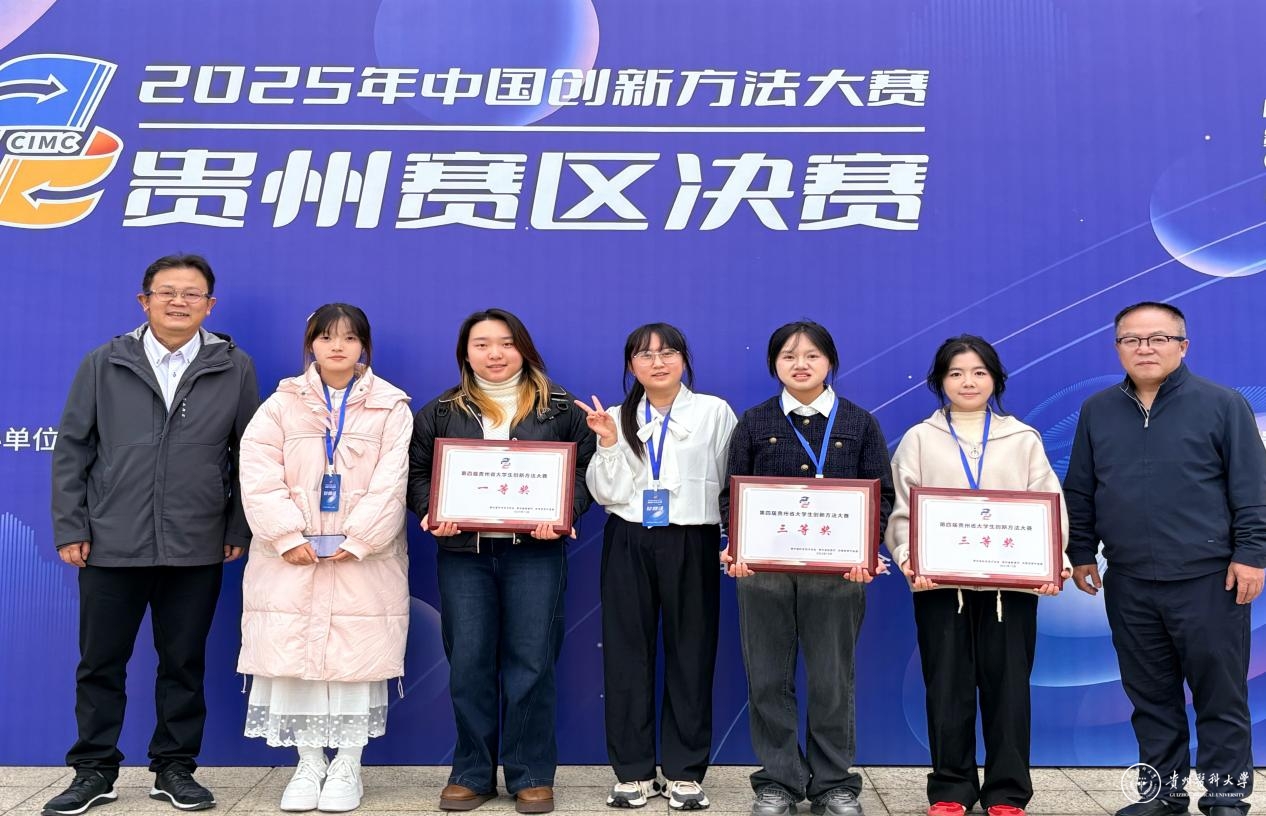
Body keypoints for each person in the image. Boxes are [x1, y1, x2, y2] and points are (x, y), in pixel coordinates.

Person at [46, 254, 260, 815]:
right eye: (167, 292)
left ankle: (175, 768)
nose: (179, 302)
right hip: (111, 539)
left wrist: (236, 525)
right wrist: (71, 526)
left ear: (210, 305)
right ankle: (94, 770)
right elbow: (72, 449)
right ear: (144, 301)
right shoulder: (105, 361)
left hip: (197, 539)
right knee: (100, 662)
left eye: (192, 293)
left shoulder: (234, 367)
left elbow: (249, 454)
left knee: (183, 663)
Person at [1064, 302, 1266, 816]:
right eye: (1131, 340)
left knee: (1220, 695)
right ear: (1118, 348)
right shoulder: (1097, 410)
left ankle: (1226, 795)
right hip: (1129, 580)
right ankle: (1161, 794)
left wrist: (1251, 554)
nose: (1145, 349)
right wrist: (1081, 551)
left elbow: (1252, 489)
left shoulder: (1223, 405)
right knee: (1150, 698)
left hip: (1211, 579)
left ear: (1183, 345)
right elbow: (1080, 489)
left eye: (1158, 338)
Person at [407, 308, 596, 815]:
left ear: (524, 349)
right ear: (465, 354)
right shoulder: (440, 411)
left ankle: (531, 773)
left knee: (532, 662)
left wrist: (565, 513)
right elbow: (417, 474)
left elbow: (586, 471)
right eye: (482, 344)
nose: (495, 354)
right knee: (468, 662)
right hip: (463, 556)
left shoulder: (561, 408)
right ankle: (471, 773)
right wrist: (431, 511)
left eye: (506, 343)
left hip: (535, 553)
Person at [884, 335, 1071, 816]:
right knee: (946, 686)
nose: (968, 382)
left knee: (1009, 689)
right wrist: (908, 558)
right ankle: (952, 789)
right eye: (956, 373)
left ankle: (1008, 791)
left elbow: (1050, 505)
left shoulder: (1022, 438)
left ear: (996, 379)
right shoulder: (919, 439)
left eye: (979, 372)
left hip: (1012, 587)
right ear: (939, 381)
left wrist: (1054, 563)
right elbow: (902, 511)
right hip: (940, 586)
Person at [236, 303, 412, 813]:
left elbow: (393, 481)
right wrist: (286, 534)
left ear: (364, 347)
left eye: (350, 337)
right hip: (290, 560)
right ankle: (309, 763)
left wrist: (360, 539)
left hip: (364, 561)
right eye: (327, 336)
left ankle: (348, 765)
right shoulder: (280, 404)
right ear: (310, 344)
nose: (338, 346)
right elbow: (258, 475)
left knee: (356, 661)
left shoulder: (391, 407)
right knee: (294, 660)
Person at [720, 320, 894, 816]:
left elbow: (881, 496)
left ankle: (834, 784)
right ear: (774, 364)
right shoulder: (754, 422)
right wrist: (735, 544)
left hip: (838, 577)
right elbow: (731, 494)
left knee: (832, 681)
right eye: (789, 356)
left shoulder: (860, 423)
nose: (801, 365)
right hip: (763, 575)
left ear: (830, 362)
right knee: (767, 679)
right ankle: (778, 781)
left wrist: (865, 549)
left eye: (812, 355)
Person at [576, 323, 738, 811]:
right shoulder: (616, 416)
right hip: (630, 537)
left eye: (668, 352)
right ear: (631, 366)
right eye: (645, 355)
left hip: (693, 538)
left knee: (692, 651)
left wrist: (734, 539)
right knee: (627, 652)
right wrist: (608, 442)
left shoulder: (714, 412)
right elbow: (606, 493)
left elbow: (731, 482)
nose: (658, 362)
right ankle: (633, 771)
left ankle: (685, 772)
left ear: (684, 359)